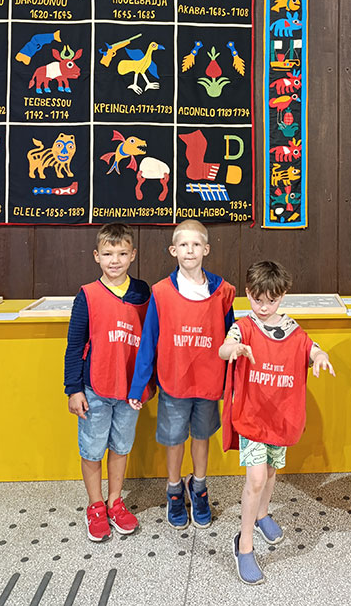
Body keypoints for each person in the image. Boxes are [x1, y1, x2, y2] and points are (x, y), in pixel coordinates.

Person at [219, 261, 335, 585]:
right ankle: (244, 545)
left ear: (282, 296)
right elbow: (223, 348)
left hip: (279, 418)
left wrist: (321, 357)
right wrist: (234, 348)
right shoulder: (244, 327)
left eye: (271, 300)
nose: (264, 307)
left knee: (270, 472)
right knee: (255, 478)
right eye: (257, 300)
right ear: (248, 294)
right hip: (252, 417)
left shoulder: (293, 330)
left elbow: (311, 349)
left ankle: (262, 515)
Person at [128, 220, 235, 531]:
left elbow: (232, 338)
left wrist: (231, 383)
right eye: (184, 245)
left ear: (206, 249)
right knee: (174, 440)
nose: (190, 250)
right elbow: (149, 340)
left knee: (202, 437)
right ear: (173, 250)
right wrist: (139, 386)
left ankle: (198, 487)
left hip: (208, 382)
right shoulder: (161, 292)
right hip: (174, 383)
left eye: (196, 245)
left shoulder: (222, 292)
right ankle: (174, 490)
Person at [64, 223, 151, 542]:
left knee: (121, 446)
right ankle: (95, 505)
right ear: (96, 256)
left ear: (133, 255)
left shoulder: (143, 293)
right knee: (92, 449)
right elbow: (75, 345)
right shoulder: (87, 295)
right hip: (94, 389)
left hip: (129, 391)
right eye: (108, 254)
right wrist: (73, 389)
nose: (115, 260)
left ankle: (115, 501)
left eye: (122, 253)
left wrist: (147, 383)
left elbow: (151, 341)